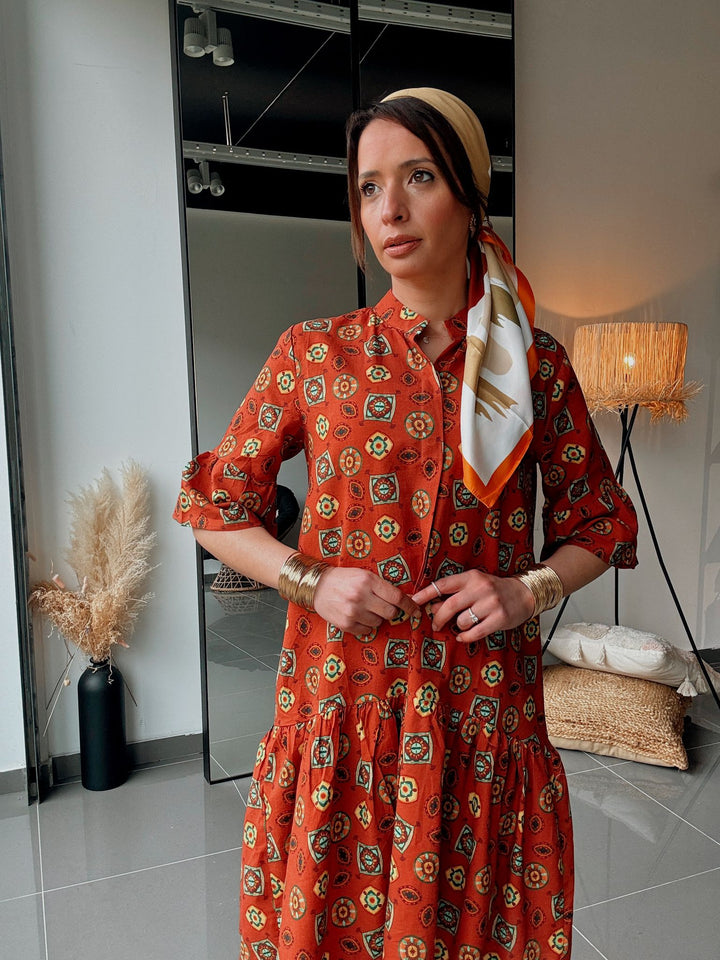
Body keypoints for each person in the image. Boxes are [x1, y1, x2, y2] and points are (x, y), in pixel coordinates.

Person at [174, 88, 638, 960]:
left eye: (417, 177)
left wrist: (526, 587)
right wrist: (311, 579)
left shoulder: (533, 365)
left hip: (481, 716)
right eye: (368, 187)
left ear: (467, 193)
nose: (387, 209)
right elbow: (212, 507)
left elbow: (599, 524)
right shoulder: (316, 353)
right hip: (341, 706)